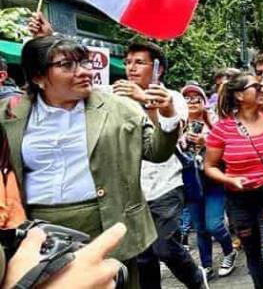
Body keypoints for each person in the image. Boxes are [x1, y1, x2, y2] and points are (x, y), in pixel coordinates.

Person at [0, 36, 181, 288]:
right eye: (67, 65)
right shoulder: (9, 113)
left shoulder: (118, 108)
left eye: (84, 63)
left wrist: (169, 117)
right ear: (38, 77)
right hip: (38, 232)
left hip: (108, 223)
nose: (83, 71)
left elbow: (156, 152)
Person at [112, 41, 207, 289]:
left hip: (166, 184)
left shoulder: (172, 97)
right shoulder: (116, 99)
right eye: (129, 62)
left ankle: (196, 279)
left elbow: (168, 135)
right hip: (131, 190)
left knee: (165, 247)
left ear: (158, 69)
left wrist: (145, 99)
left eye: (139, 62)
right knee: (142, 258)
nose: (131, 68)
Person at [204, 73, 263, 289]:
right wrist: (229, 179)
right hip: (239, 201)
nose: (262, 89)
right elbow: (208, 166)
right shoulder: (222, 129)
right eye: (256, 86)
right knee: (253, 251)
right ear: (239, 95)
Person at [179, 83, 236, 279]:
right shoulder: (176, 124)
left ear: (204, 102)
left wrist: (207, 142)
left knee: (214, 225)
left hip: (213, 182)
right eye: (187, 98)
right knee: (200, 227)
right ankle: (206, 265)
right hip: (191, 183)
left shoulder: (215, 123)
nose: (192, 101)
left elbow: (228, 149)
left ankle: (229, 251)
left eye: (197, 98)